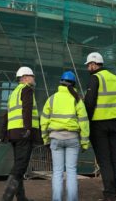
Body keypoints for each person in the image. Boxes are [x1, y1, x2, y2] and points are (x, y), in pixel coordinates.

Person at [84, 52, 116, 201]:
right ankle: (114, 189)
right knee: (114, 157)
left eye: (89, 65)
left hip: (99, 124)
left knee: (104, 159)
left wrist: (86, 121)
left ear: (94, 64)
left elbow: (89, 103)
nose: (88, 68)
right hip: (114, 123)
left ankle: (109, 194)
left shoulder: (95, 78)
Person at [40, 71, 90, 201]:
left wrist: (45, 139)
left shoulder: (51, 99)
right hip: (72, 139)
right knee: (71, 171)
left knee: (57, 172)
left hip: (56, 139)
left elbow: (44, 122)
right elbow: (84, 123)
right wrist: (85, 143)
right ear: (74, 84)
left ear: (60, 82)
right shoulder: (77, 100)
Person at [0, 66, 40, 201]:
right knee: (20, 167)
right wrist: (28, 128)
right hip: (24, 133)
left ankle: (21, 198)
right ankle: (6, 198)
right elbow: (27, 109)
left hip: (14, 133)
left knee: (18, 164)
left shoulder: (14, 93)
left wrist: (4, 132)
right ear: (25, 78)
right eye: (32, 76)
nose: (34, 79)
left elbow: (7, 114)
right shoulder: (27, 89)